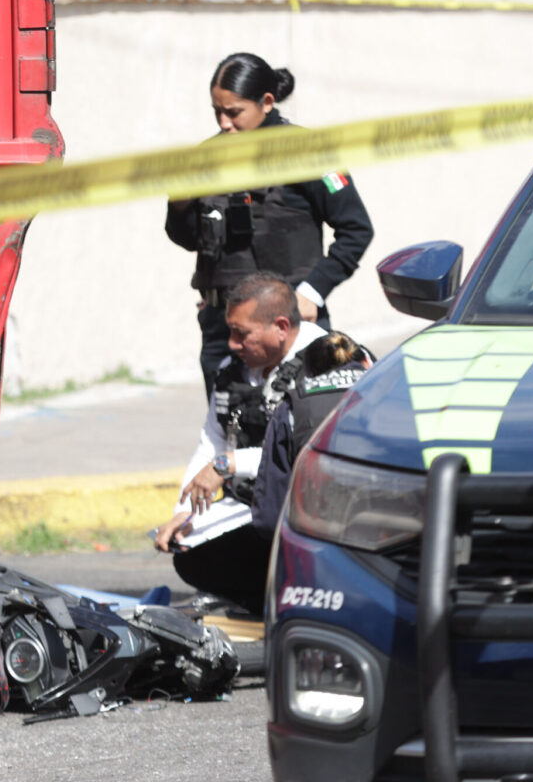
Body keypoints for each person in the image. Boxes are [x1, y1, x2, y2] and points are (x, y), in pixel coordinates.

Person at [165, 52, 374, 397]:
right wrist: (180, 204)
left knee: (299, 434)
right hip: (226, 329)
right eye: (217, 111)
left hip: (290, 327)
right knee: (231, 432)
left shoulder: (307, 151)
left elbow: (356, 229)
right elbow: (187, 238)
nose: (224, 123)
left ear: (266, 102)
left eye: (234, 112)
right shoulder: (206, 156)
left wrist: (312, 292)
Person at [153, 272, 325, 616]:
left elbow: (306, 454)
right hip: (258, 506)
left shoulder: (328, 364)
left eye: (241, 333)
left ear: (280, 326)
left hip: (315, 514)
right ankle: (260, 607)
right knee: (191, 554)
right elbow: (212, 439)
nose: (231, 343)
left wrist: (229, 464)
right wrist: (184, 511)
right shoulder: (237, 368)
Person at [250, 331, 373, 536]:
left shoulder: (291, 409)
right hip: (394, 533)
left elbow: (270, 513)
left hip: (322, 537)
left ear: (309, 373)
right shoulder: (391, 391)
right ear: (364, 361)